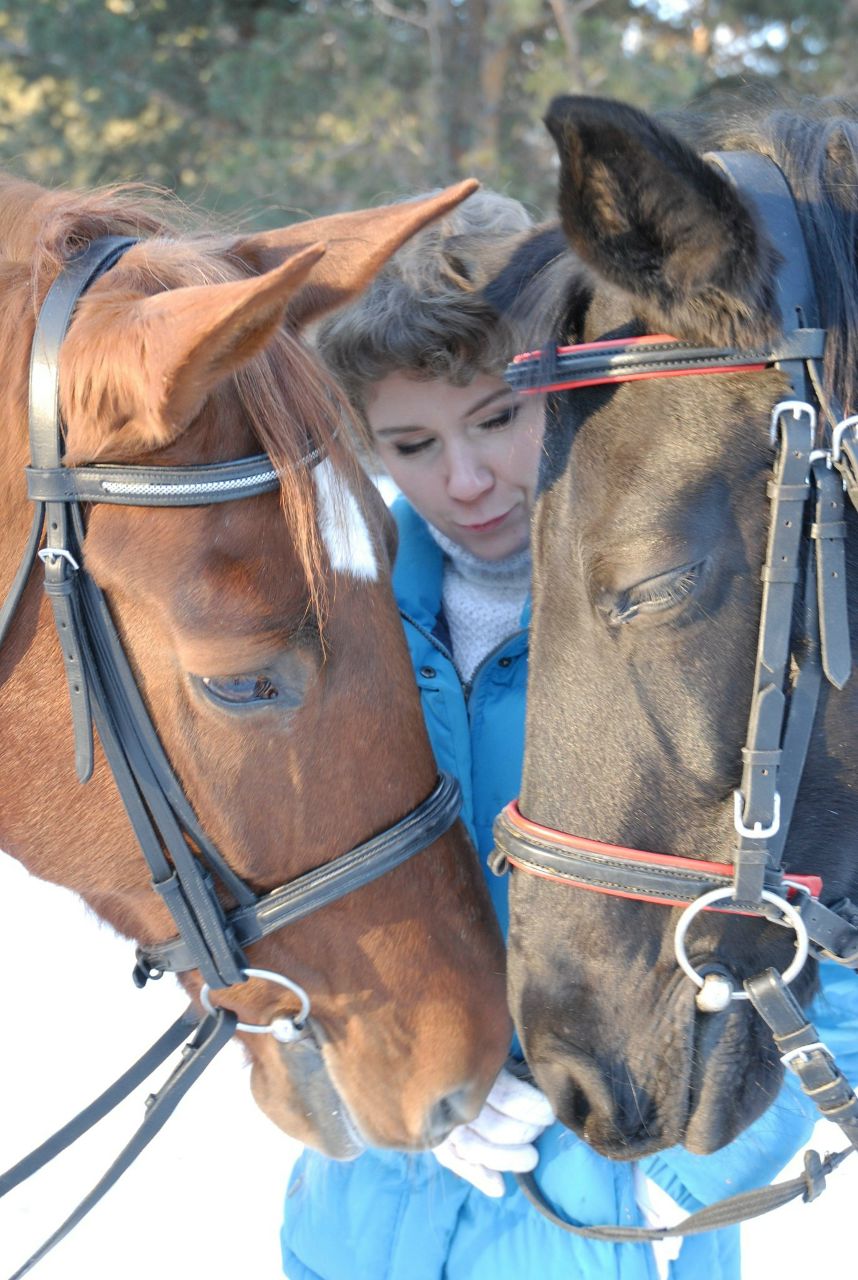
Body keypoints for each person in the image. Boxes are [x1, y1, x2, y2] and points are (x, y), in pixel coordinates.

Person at [281, 189, 858, 1280]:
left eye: (497, 417)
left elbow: (835, 935)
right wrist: (379, 1078)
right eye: (411, 441)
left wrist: (687, 1175)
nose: (464, 479)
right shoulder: (331, 640)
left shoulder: (710, 633)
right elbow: (287, 922)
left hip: (609, 1228)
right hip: (358, 1228)